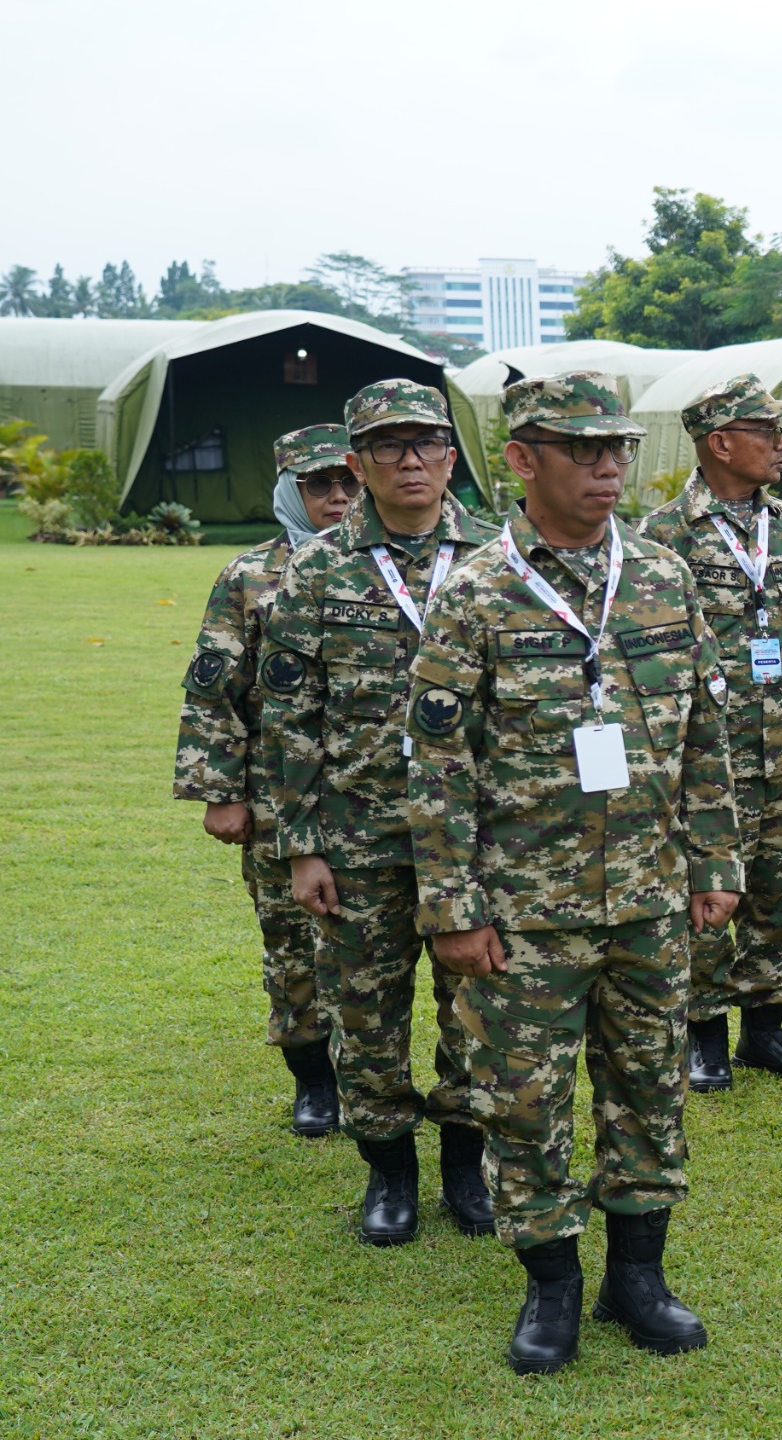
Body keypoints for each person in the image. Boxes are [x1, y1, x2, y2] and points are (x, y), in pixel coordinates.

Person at [407, 371, 742, 1375]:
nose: (607, 468)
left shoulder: (661, 577)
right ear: (522, 459)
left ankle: (638, 1277)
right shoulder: (474, 590)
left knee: (647, 1088)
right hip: (524, 908)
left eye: (617, 451)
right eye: (582, 451)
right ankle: (550, 1281)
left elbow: (708, 732)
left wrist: (715, 857)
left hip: (647, 895)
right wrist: (454, 906)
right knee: (526, 1098)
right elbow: (435, 761)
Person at [260, 382, 496, 1242]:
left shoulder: (497, 557)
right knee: (364, 1011)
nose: (410, 461)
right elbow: (290, 719)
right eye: (389, 446)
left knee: (475, 1009)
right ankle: (389, 1171)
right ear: (355, 465)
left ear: (450, 456)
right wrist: (300, 846)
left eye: (426, 443)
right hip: (360, 834)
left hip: (474, 839)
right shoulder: (318, 567)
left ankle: (468, 1169)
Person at [636, 375, 782, 1092]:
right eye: (767, 431)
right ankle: (703, 1035)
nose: (781, 442)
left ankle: (766, 1028)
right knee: (706, 891)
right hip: (708, 761)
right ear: (720, 443)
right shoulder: (663, 537)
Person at [173, 423, 357, 1138]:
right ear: (290, 490)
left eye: (348, 482)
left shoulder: (398, 567)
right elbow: (214, 689)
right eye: (319, 486)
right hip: (281, 796)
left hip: (380, 794)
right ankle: (314, 1078)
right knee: (292, 939)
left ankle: (385, 1077)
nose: (338, 498)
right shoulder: (250, 576)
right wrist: (221, 791)